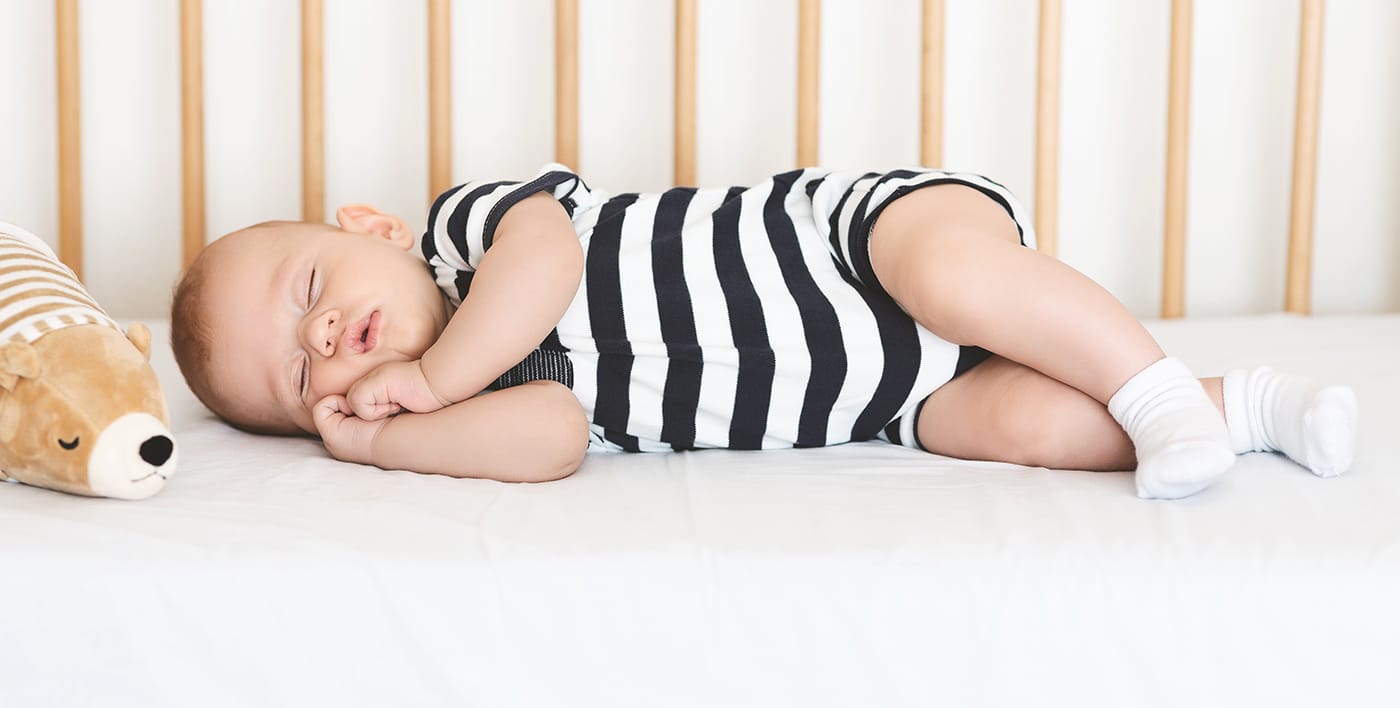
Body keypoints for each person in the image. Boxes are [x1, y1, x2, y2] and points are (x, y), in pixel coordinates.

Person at [170, 164, 1359, 498]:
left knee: (957, 280)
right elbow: (554, 438)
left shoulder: (467, 234)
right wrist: (387, 441)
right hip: (884, 395)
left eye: (306, 283)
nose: (324, 332)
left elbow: (549, 258)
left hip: (853, 240)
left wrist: (428, 368)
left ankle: (1151, 393)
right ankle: (1247, 405)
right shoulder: (478, 405)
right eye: (300, 371)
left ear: (367, 224)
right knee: (1017, 425)